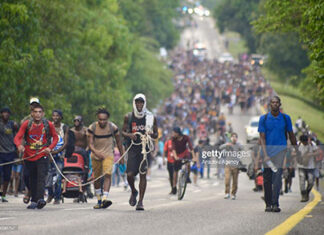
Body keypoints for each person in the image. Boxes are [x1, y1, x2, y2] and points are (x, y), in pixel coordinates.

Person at [14, 104, 58, 209]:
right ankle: (33, 198)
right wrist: (19, 145)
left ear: (43, 113)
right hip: (28, 155)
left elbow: (55, 138)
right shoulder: (26, 124)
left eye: (40, 112)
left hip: (43, 154)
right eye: (35, 112)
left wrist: (50, 148)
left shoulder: (48, 124)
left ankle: (39, 199)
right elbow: (17, 137)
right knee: (28, 177)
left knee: (41, 177)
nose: (38, 114)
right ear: (32, 113)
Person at [258, 96, 297, 212]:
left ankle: (275, 204)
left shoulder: (286, 118)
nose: (274, 104)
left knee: (277, 178)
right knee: (267, 180)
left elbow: (291, 135)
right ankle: (268, 204)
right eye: (272, 102)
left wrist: (297, 148)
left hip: (280, 152)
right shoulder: (263, 119)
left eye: (276, 102)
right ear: (270, 105)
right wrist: (265, 155)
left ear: (279, 104)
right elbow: (262, 139)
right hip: (266, 153)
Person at [122, 94, 158, 211]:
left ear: (144, 103)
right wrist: (130, 135)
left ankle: (141, 202)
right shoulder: (128, 116)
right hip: (133, 148)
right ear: (134, 103)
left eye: (141, 103)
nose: (139, 105)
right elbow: (123, 132)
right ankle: (133, 190)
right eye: (137, 102)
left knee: (143, 173)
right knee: (129, 174)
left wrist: (151, 133)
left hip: (145, 149)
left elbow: (156, 134)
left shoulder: (151, 117)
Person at [87, 108, 124, 209]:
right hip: (95, 155)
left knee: (107, 174)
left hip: (108, 154)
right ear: (97, 119)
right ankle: (99, 201)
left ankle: (105, 198)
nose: (102, 122)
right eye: (100, 119)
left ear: (108, 119)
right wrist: (96, 152)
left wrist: (122, 156)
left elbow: (119, 143)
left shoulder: (113, 127)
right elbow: (90, 144)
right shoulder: (92, 127)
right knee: (97, 178)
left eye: (104, 120)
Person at [46, 110, 68, 204]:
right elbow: (46, 140)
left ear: (61, 117)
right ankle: (50, 194)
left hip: (60, 156)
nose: (55, 117)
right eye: (53, 115)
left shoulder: (65, 127)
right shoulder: (48, 126)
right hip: (48, 154)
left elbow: (65, 143)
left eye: (57, 116)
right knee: (48, 176)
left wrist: (56, 152)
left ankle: (57, 197)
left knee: (58, 177)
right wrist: (49, 152)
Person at [0, 107, 19, 202]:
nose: (6, 114)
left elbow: (18, 135)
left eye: (7, 113)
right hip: (1, 152)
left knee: (8, 176)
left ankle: (3, 195)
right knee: (0, 174)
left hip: (10, 152)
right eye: (4, 113)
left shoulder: (12, 124)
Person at [171, 127, 195, 195]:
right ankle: (174, 186)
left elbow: (191, 147)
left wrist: (194, 157)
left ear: (178, 133)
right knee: (175, 171)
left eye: (174, 133)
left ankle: (187, 177)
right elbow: (173, 149)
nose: (173, 134)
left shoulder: (186, 137)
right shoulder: (173, 139)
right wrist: (175, 157)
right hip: (177, 155)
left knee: (188, 163)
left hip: (184, 153)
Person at [220, 132, 243, 200]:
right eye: (233, 137)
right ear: (230, 138)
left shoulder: (238, 145)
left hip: (235, 165)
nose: (234, 138)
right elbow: (220, 147)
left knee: (235, 181)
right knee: (227, 179)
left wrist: (237, 143)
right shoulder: (228, 145)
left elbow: (242, 148)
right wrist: (227, 144)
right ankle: (227, 193)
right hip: (228, 165)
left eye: (235, 137)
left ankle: (233, 193)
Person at [296, 134, 319, 202]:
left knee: (311, 181)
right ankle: (303, 195)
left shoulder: (312, 145)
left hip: (311, 166)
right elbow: (293, 153)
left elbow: (318, 152)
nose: (304, 143)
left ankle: (307, 192)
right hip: (301, 166)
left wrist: (310, 154)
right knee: (302, 181)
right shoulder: (298, 144)